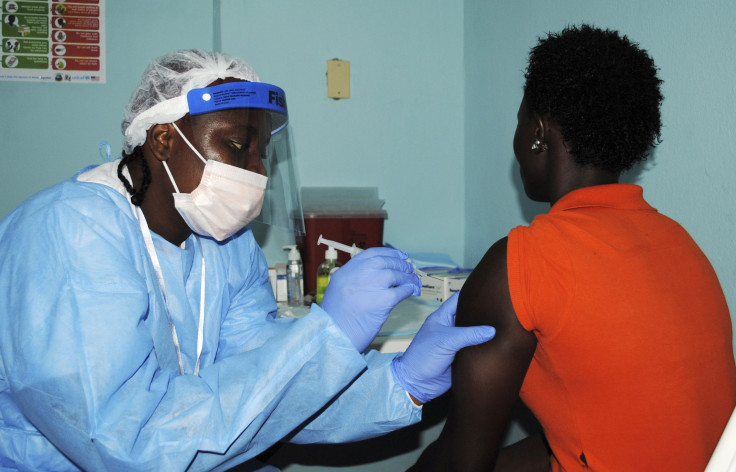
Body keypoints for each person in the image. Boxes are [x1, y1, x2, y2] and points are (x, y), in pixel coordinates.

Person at [0, 49, 495, 471]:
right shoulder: (70, 232)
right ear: (163, 140)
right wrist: (326, 333)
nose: (256, 173)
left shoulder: (227, 246)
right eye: (237, 147)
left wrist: (400, 384)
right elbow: (123, 442)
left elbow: (270, 388)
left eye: (263, 155)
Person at [409, 25, 736, 472]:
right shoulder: (680, 245)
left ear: (538, 134)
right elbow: (599, 433)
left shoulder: (523, 262)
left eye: (521, 120)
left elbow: (460, 460)